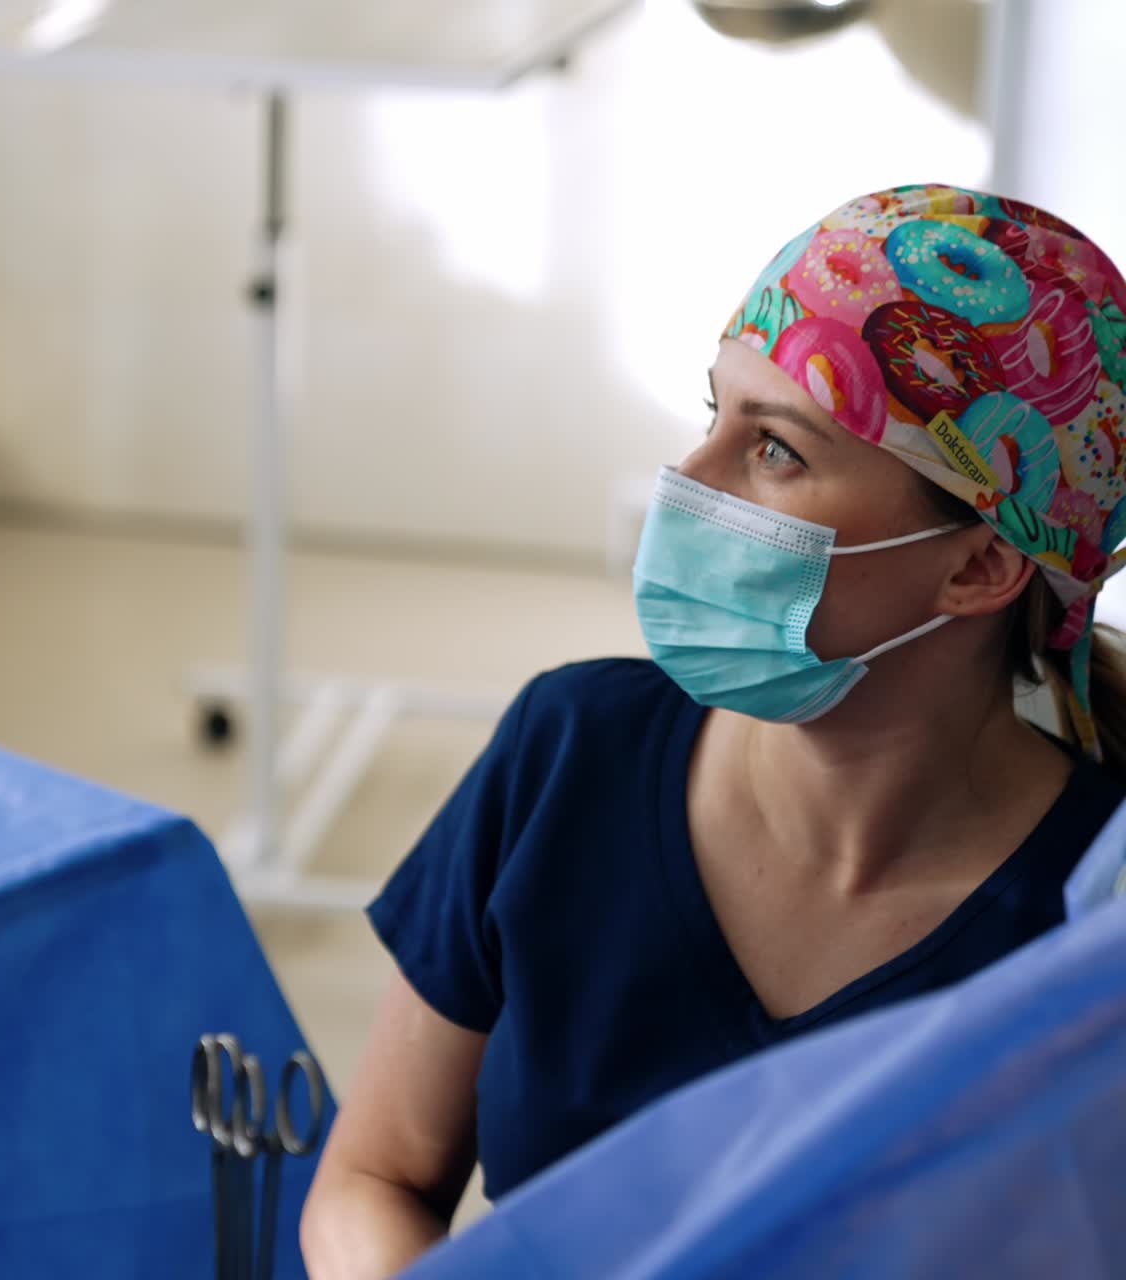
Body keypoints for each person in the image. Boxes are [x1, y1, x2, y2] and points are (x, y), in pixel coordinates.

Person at [299, 183, 1126, 1277]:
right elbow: (375, 1178)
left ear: (978, 564)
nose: (686, 483)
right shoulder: (567, 753)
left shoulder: (1089, 936)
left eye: (774, 449)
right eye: (711, 415)